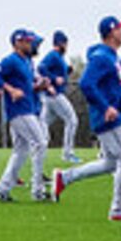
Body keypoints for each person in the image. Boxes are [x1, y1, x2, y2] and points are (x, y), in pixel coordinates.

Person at [58, 15, 121, 220]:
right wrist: (106, 108)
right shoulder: (102, 56)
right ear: (111, 32)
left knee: (111, 163)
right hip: (107, 117)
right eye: (120, 29)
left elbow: (115, 88)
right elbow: (86, 83)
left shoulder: (111, 56)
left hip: (115, 113)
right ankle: (118, 209)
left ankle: (66, 177)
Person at [0, 28, 50, 202]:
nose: (31, 44)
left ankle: (2, 189)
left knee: (21, 151)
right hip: (19, 110)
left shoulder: (26, 62)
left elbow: (26, 85)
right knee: (40, 143)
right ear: (18, 43)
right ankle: (37, 189)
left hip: (27, 108)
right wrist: (10, 89)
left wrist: (39, 86)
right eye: (27, 41)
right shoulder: (12, 60)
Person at [40, 32, 81, 162]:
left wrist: (67, 71)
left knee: (43, 124)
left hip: (51, 96)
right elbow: (41, 67)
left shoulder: (59, 57)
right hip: (55, 95)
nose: (66, 46)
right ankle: (67, 153)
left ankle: (36, 148)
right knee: (72, 120)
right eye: (65, 43)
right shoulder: (53, 55)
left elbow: (58, 73)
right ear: (60, 43)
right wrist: (53, 79)